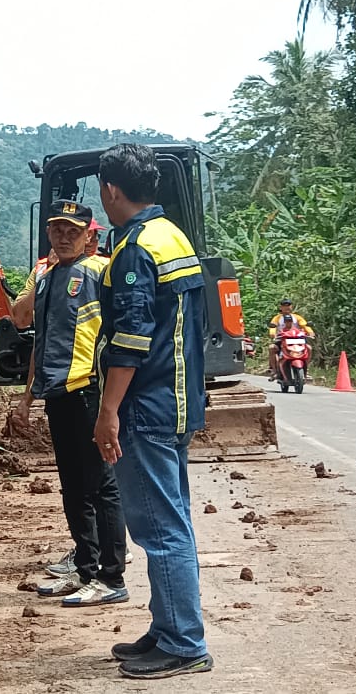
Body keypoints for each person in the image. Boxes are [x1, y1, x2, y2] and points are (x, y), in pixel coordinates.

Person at [93, 144, 214, 679]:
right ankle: (168, 629)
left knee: (161, 531)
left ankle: (185, 643)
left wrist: (108, 410)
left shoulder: (137, 248)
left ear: (111, 191)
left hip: (146, 406)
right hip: (178, 403)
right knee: (173, 522)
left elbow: (132, 337)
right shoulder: (172, 236)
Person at [15, 200, 128, 607]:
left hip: (88, 392)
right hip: (57, 394)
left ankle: (112, 577)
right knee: (74, 488)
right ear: (49, 235)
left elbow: (126, 327)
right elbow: (36, 338)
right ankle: (85, 570)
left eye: (72, 231)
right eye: (57, 230)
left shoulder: (100, 272)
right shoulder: (45, 279)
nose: (64, 237)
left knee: (101, 485)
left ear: (90, 237)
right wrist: (27, 398)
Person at [11, 220, 105, 330]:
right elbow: (19, 318)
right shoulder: (42, 268)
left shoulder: (105, 268)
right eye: (59, 232)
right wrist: (50, 273)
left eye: (95, 236)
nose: (91, 242)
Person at [267, 299, 315, 379]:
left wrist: (310, 332)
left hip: (297, 340)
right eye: (284, 306)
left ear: (291, 307)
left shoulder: (297, 317)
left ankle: (306, 369)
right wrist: (273, 334)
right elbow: (273, 327)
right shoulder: (277, 318)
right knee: (272, 348)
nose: (287, 308)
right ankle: (274, 370)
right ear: (281, 307)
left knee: (309, 348)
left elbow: (305, 325)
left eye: (288, 305)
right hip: (281, 340)